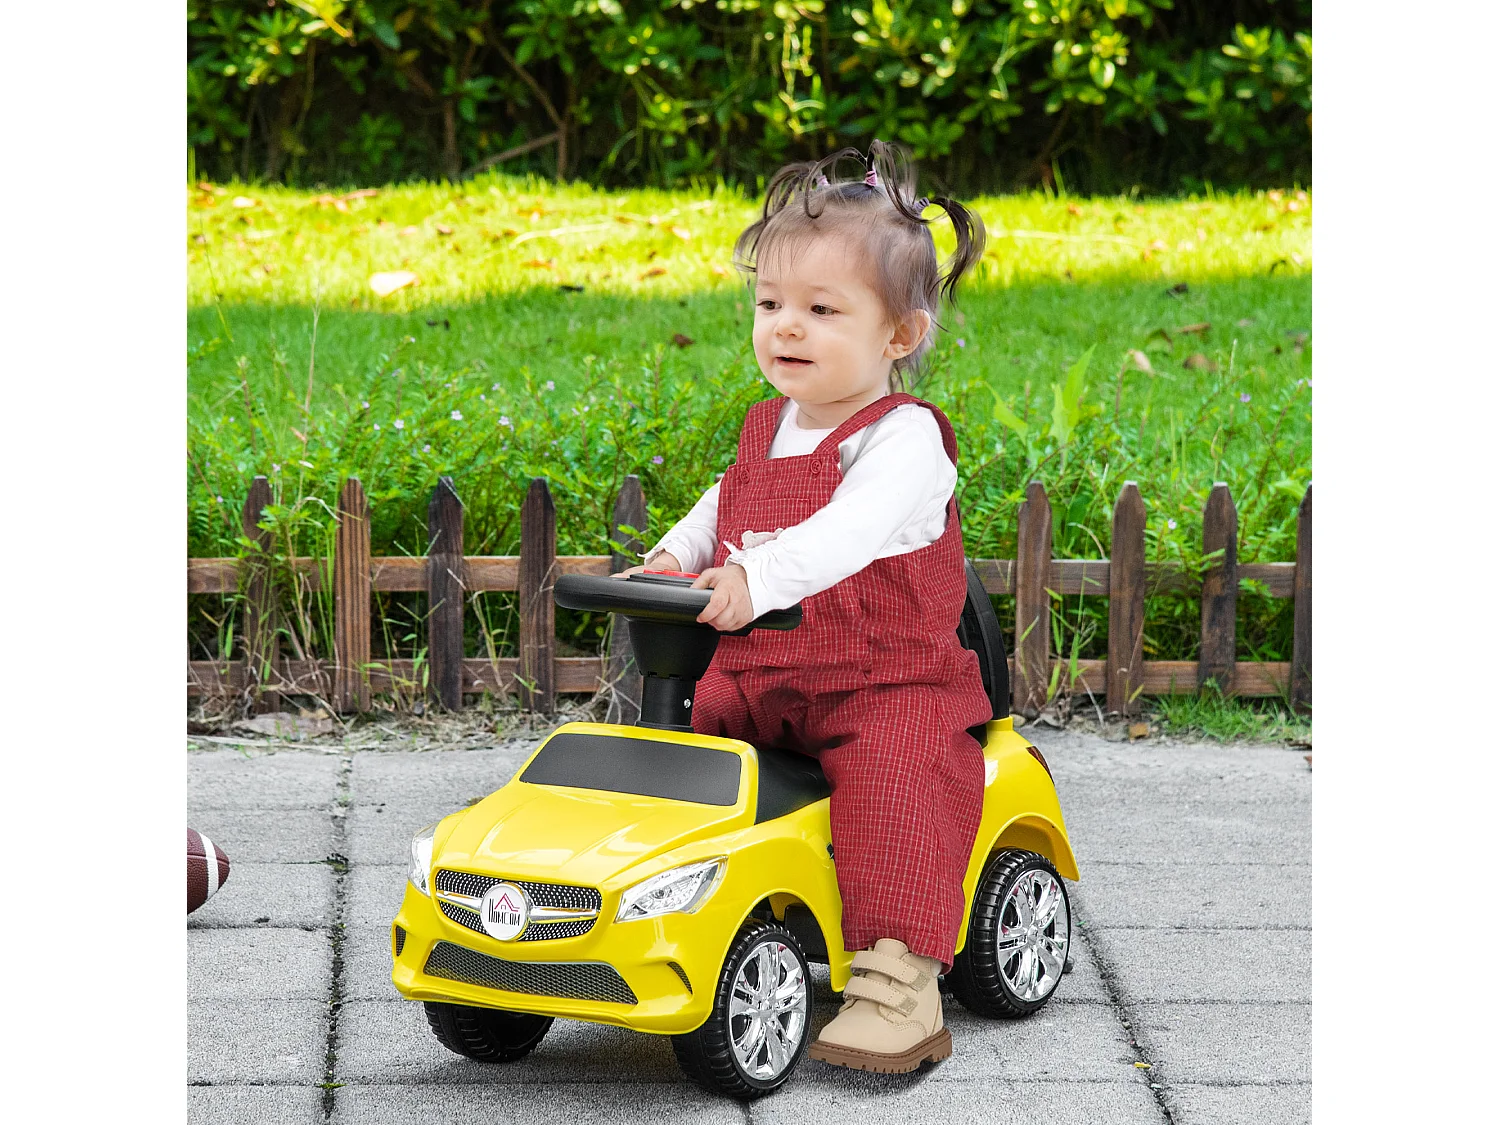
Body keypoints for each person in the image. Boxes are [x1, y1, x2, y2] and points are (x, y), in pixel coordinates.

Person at [615, 139, 991, 1074]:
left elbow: (844, 534)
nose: (786, 327)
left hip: (884, 682)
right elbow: (727, 500)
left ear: (898, 335)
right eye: (770, 304)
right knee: (671, 756)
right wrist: (677, 555)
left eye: (822, 310)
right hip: (762, 677)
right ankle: (647, 915)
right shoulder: (769, 424)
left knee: (899, 782)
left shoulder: (904, 442)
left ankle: (900, 979)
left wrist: (757, 578)